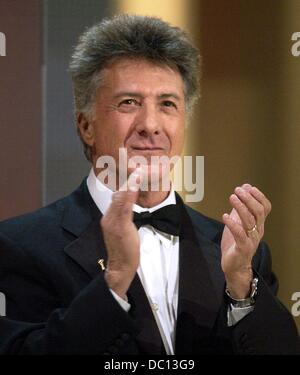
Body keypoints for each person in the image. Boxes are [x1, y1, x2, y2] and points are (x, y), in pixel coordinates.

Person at [0, 14, 299, 355]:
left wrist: (242, 285)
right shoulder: (18, 246)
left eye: (167, 104)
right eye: (129, 103)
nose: (151, 125)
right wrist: (114, 283)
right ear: (86, 125)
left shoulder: (238, 252)